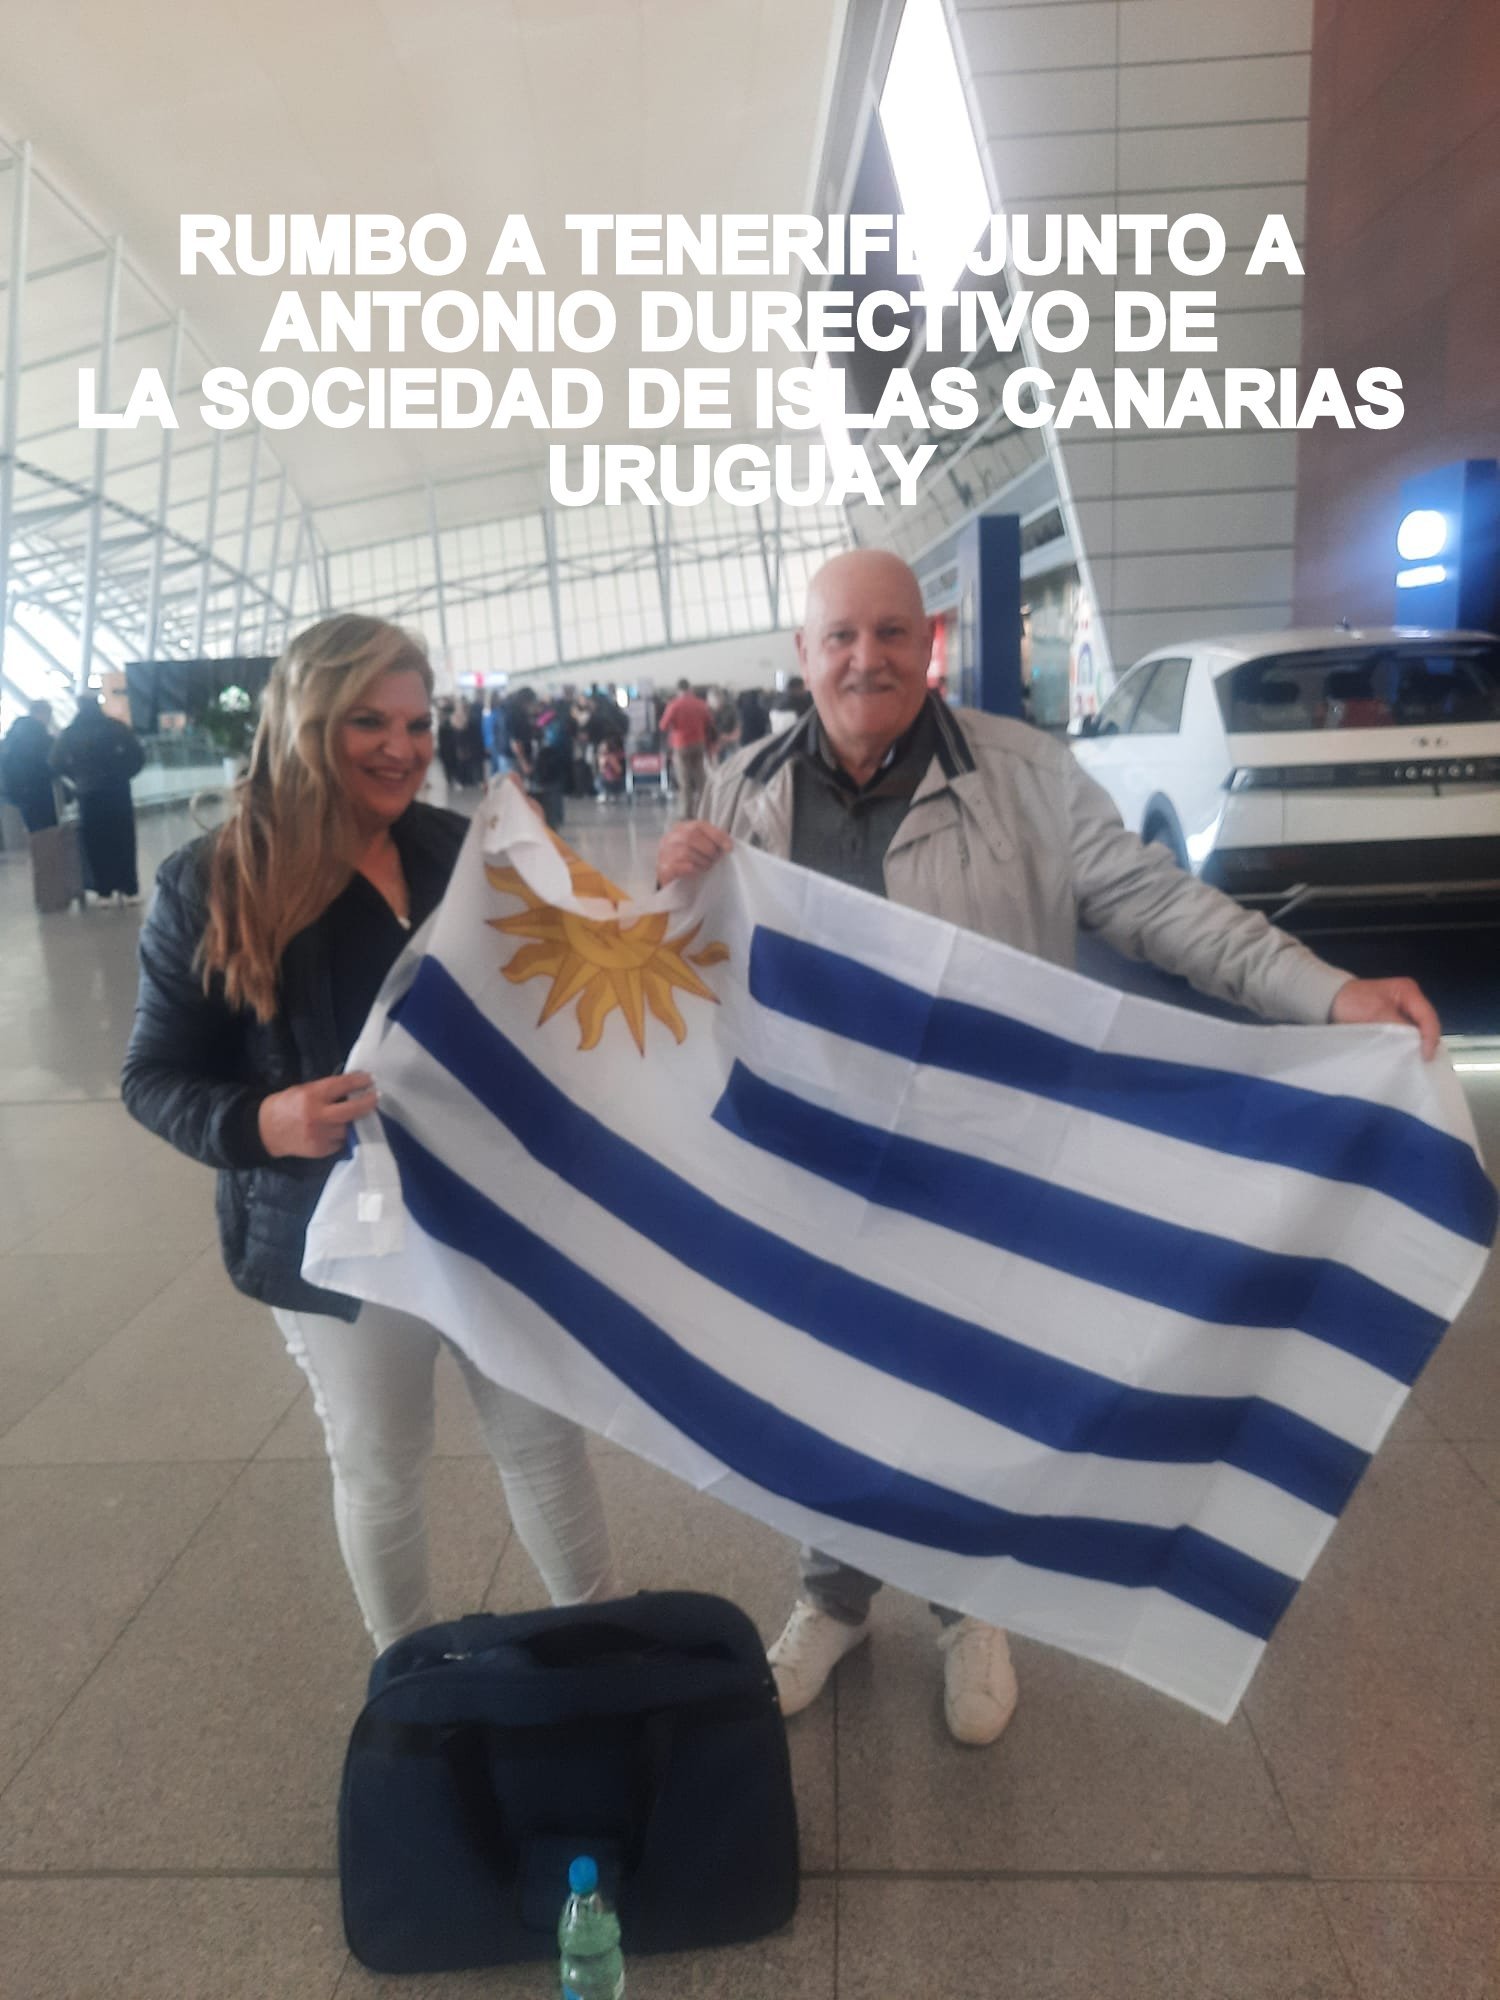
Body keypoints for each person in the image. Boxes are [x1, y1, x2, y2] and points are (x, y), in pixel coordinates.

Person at [657, 549, 1441, 1747]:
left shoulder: (1024, 776)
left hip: (981, 1157)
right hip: (815, 1151)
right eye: (840, 636)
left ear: (928, 644)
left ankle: (972, 1606)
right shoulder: (743, 782)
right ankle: (834, 1597)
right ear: (803, 653)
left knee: (965, 1387)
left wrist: (1327, 992)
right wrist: (668, 894)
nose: (865, 657)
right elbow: (687, 963)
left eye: (890, 631)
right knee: (826, 1383)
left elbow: (1161, 906)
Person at [121, 615, 615, 1653]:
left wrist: (629, 883)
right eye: (368, 722)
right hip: (337, 1228)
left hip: (484, 1210)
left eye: (416, 722)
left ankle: (603, 1648)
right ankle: (407, 1679)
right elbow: (152, 1075)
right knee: (383, 1461)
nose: (402, 747)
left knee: (543, 1437)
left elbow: (569, 978)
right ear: (307, 722)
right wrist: (262, 1119)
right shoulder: (218, 880)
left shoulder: (453, 850)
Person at [49, 693, 145, 901]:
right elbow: (138, 756)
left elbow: (55, 762)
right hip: (118, 791)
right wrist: (124, 774)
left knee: (96, 843)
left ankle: (104, 890)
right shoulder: (116, 727)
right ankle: (129, 887)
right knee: (123, 839)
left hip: (88, 793)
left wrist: (76, 777)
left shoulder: (70, 733)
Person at [659, 677, 716, 818]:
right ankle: (706, 810)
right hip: (699, 743)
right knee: (701, 778)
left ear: (678, 690)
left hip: (681, 745)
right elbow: (710, 722)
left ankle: (687, 813)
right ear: (690, 689)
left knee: (684, 781)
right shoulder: (701, 704)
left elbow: (663, 726)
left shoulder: (674, 705)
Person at [0, 699, 60, 832]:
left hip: (17, 792)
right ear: (42, 714)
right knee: (48, 829)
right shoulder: (40, 736)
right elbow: (50, 763)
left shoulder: (13, 736)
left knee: (32, 830)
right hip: (39, 790)